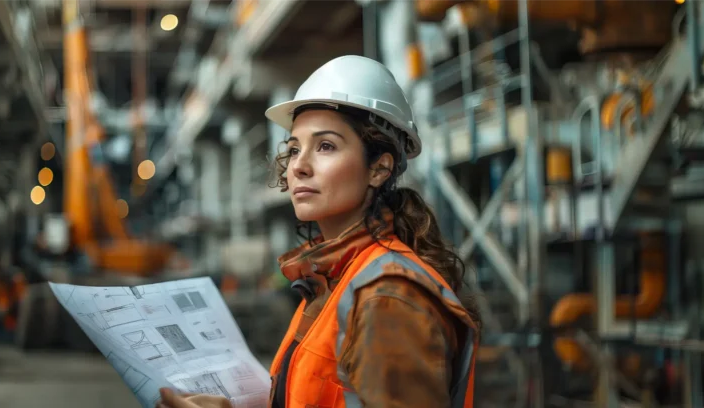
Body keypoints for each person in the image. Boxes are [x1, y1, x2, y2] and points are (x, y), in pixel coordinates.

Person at [158, 55, 481, 408]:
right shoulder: (333, 280)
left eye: (325, 146)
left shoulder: (388, 297)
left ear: (379, 168)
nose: (299, 166)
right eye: (294, 148)